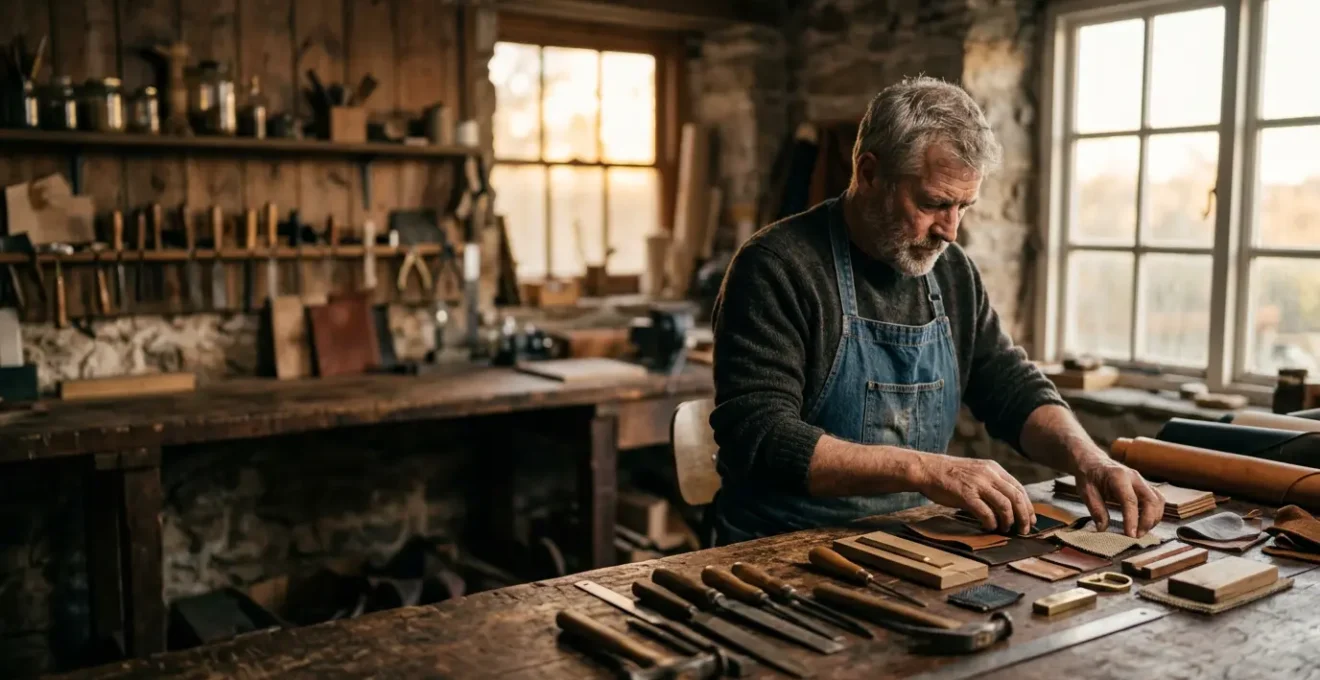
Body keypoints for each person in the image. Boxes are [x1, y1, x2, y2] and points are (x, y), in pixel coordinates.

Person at [709, 76, 1163, 545]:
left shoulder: (952, 272)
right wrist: (925, 470)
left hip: (905, 541)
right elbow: (760, 435)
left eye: (964, 207)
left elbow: (1009, 385)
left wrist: (1091, 460)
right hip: (780, 546)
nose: (950, 231)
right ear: (868, 173)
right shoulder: (777, 267)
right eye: (934, 203)